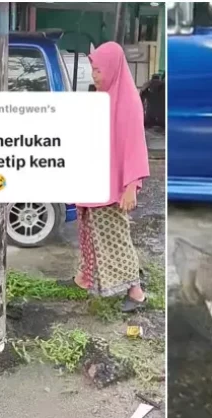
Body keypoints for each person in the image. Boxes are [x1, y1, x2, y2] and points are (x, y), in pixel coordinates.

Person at [60, 41, 150, 312]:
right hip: (95, 181)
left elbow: (135, 146)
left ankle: (136, 293)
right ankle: (83, 279)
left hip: (114, 188)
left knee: (114, 238)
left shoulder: (127, 102)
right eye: (92, 69)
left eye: (98, 70)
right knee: (89, 232)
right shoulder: (104, 97)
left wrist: (131, 185)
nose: (94, 76)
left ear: (112, 68)